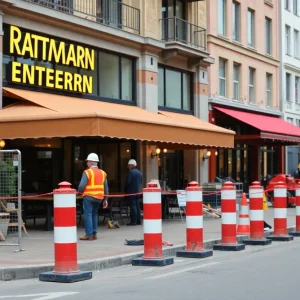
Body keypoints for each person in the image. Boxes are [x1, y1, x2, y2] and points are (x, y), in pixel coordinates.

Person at [78, 153, 108, 240]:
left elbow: (81, 185)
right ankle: (94, 233)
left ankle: (89, 234)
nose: (87, 163)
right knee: (94, 214)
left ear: (91, 162)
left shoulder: (87, 172)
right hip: (99, 198)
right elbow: (106, 187)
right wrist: (106, 199)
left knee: (88, 215)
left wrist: (79, 192)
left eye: (87, 161)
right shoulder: (103, 173)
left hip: (89, 197)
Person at [125, 159, 143, 226]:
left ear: (132, 165)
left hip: (131, 192)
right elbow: (140, 183)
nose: (128, 167)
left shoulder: (131, 172)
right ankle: (139, 220)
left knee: (133, 206)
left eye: (129, 165)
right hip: (138, 192)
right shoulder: (139, 173)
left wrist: (125, 189)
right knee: (137, 206)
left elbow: (128, 182)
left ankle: (134, 221)